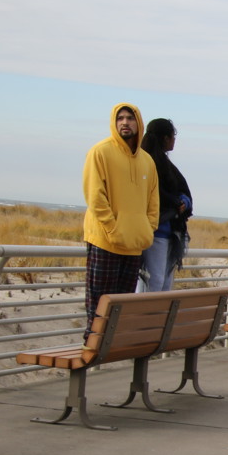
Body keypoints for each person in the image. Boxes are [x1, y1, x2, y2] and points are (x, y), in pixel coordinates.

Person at [82, 103, 159, 337]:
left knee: (121, 306)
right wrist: (112, 229)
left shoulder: (147, 161)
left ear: (139, 123)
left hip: (134, 244)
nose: (125, 123)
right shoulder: (100, 152)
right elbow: (95, 196)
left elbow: (153, 201)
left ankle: (114, 347)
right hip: (105, 241)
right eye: (120, 118)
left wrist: (147, 229)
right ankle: (93, 346)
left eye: (130, 118)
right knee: (100, 305)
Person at [137, 118, 192, 292]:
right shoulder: (150, 163)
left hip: (168, 231)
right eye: (173, 136)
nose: (174, 140)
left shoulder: (161, 163)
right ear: (166, 138)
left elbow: (180, 190)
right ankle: (148, 310)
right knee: (156, 280)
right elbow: (155, 192)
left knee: (163, 281)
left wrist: (183, 201)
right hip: (158, 230)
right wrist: (177, 202)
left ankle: (155, 310)